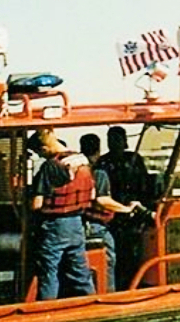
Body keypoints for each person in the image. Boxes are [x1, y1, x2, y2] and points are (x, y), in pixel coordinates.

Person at [27, 127, 96, 300]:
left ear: (44, 149)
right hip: (77, 223)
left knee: (48, 271)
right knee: (80, 271)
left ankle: (46, 311)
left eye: (39, 153)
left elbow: (37, 204)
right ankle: (91, 304)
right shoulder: (81, 160)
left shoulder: (50, 166)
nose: (41, 157)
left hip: (55, 225)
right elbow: (93, 194)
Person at [80, 133, 140, 292]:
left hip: (88, 222)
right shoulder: (99, 170)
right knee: (108, 260)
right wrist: (126, 209)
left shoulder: (80, 170)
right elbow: (102, 199)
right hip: (100, 222)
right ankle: (109, 293)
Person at [96, 125, 151, 289]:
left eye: (117, 139)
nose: (113, 143)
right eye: (110, 139)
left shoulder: (134, 159)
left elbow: (145, 183)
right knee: (117, 253)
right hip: (113, 215)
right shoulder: (103, 162)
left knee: (135, 253)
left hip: (134, 212)